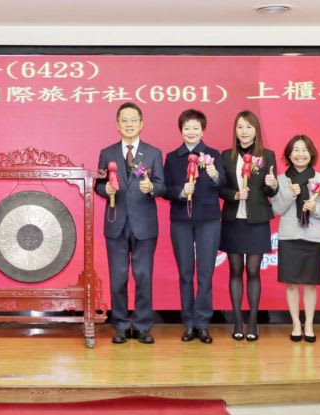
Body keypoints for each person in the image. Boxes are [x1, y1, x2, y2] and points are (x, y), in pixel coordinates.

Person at [95, 102, 165, 345]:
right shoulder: (107, 153)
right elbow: (98, 184)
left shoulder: (153, 153)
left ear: (141, 124)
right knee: (118, 277)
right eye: (124, 120)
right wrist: (104, 189)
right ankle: (121, 326)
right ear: (117, 125)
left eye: (133, 120)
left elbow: (162, 185)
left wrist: (152, 187)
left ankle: (143, 326)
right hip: (116, 223)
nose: (129, 124)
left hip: (144, 224)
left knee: (143, 276)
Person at [163, 109, 225, 344]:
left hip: (209, 219)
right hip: (181, 220)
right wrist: (180, 191)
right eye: (187, 128)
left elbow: (223, 184)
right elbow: (164, 189)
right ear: (181, 130)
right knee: (186, 274)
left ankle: (203, 323)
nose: (191, 132)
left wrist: (215, 174)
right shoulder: (172, 157)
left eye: (195, 128)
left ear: (202, 130)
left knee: (206, 274)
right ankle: (189, 323)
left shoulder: (213, 155)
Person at [219, 111, 278, 342]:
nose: (244, 131)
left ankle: (253, 321)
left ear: (256, 130)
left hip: (257, 221)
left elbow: (270, 191)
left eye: (248, 127)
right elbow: (220, 188)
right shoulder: (226, 156)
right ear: (235, 130)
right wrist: (234, 194)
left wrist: (273, 184)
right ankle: (237, 321)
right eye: (240, 127)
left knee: (253, 270)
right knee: (235, 270)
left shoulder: (267, 156)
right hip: (233, 220)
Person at [272, 135, 320, 343]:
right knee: (291, 284)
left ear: (311, 154)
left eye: (304, 150)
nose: (300, 154)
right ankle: (295, 324)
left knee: (310, 284)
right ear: (289, 155)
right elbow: (276, 209)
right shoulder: (281, 180)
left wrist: (315, 208)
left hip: (313, 238)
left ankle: (308, 323)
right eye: (296, 150)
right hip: (289, 236)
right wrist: (291, 195)